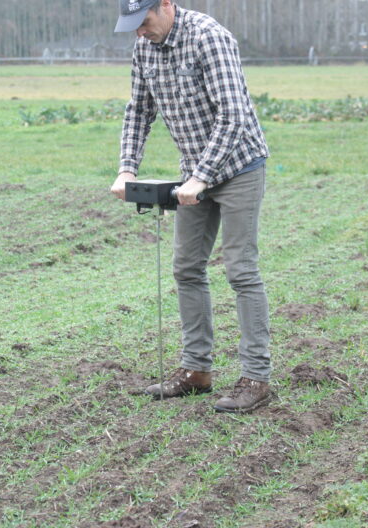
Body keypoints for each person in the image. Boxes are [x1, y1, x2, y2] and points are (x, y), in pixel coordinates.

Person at [111, 0, 272, 413]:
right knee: (186, 268)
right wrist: (127, 169)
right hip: (193, 172)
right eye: (131, 25)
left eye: (143, 21)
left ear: (166, 4)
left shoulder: (208, 37)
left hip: (238, 166)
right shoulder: (144, 46)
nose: (139, 32)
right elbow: (139, 110)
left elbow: (233, 115)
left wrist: (203, 176)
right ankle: (196, 371)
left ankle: (256, 377)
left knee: (240, 269)